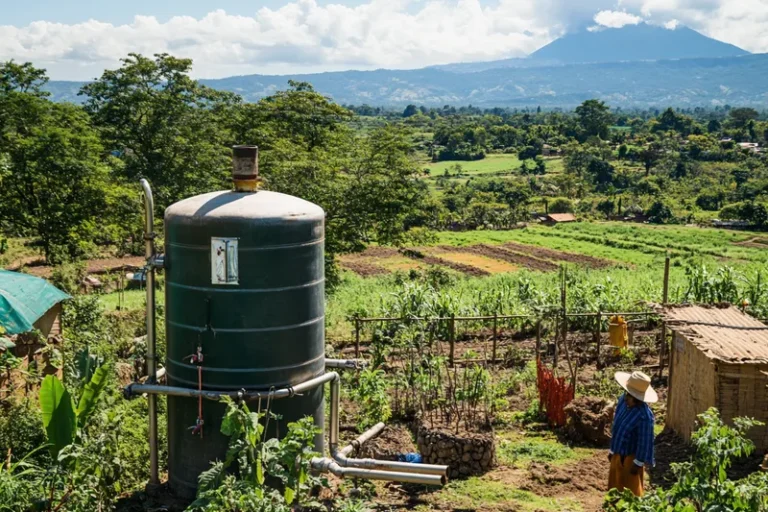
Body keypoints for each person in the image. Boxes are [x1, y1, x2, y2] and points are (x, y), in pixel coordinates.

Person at [608, 371, 657, 497]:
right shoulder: (622, 402)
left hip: (631, 459)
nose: (626, 398)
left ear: (639, 400)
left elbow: (644, 442)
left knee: (630, 494)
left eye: (630, 397)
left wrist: (638, 463)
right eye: (627, 394)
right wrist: (613, 450)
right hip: (618, 453)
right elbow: (617, 426)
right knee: (614, 489)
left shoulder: (644, 416)